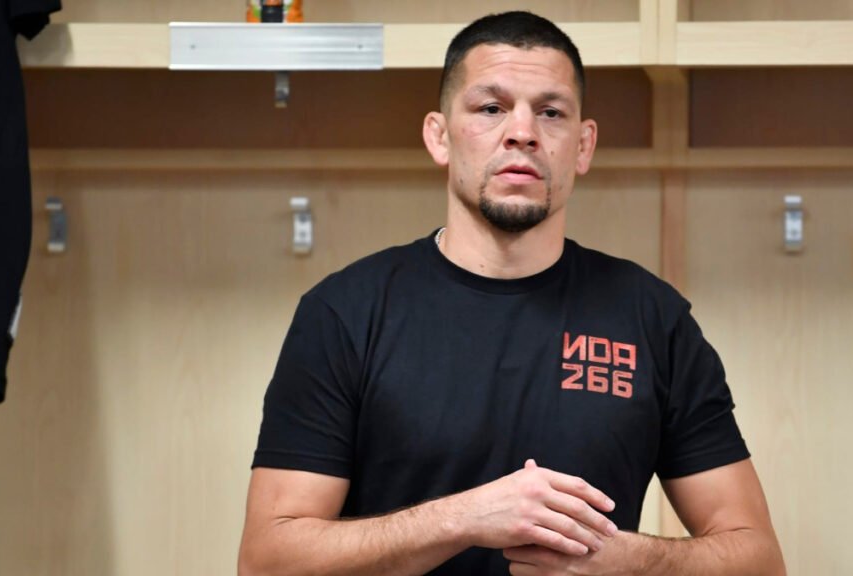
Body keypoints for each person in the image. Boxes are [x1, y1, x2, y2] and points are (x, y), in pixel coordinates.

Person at [238, 11, 785, 576]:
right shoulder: (345, 313)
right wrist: (464, 518)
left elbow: (759, 560)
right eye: (490, 108)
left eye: (550, 112)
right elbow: (267, 562)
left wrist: (630, 561)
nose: (522, 131)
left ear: (583, 145)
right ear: (439, 136)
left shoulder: (653, 318)